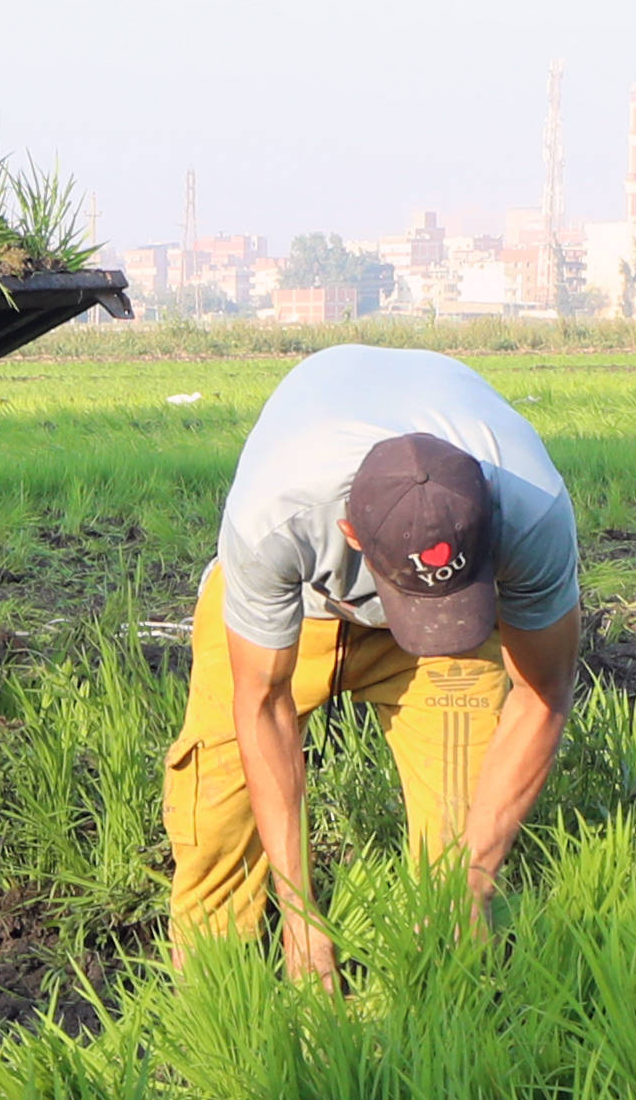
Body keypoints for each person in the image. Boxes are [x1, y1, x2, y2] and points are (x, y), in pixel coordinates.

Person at [164, 341, 591, 979]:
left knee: (461, 847)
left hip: (447, 629)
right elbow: (262, 706)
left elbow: (544, 694)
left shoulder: (530, 513)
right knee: (219, 819)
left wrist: (472, 878)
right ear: (353, 535)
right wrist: (302, 915)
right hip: (299, 607)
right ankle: (211, 997)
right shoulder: (276, 515)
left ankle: (442, 1001)